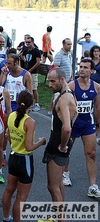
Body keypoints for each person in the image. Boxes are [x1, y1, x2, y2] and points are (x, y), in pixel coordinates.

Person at [1, 90, 46, 222]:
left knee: (9, 190)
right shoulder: (29, 121)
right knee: (21, 197)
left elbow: (8, 135)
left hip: (13, 155)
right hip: (24, 159)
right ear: (31, 104)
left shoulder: (11, 116)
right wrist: (41, 142)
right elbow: (29, 146)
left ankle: (5, 217)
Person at [61, 59, 100, 197]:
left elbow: (97, 107)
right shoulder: (71, 86)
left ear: (92, 71)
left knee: (91, 154)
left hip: (87, 124)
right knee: (67, 150)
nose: (82, 69)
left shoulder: (96, 87)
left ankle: (93, 186)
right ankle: (65, 173)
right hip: (72, 125)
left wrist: (97, 124)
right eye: (81, 66)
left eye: (85, 67)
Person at [44, 68, 77, 210]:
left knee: (53, 187)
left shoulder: (64, 98)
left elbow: (67, 128)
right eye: (49, 81)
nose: (50, 85)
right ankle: (59, 217)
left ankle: (60, 218)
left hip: (57, 146)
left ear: (62, 80)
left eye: (53, 81)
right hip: (59, 144)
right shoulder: (69, 94)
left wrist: (62, 146)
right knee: (58, 185)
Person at [21, 36, 41, 111]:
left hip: (33, 73)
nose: (27, 44)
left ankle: (37, 103)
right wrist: (24, 59)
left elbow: (38, 62)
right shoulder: (26, 50)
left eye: (29, 42)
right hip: (27, 72)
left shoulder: (36, 51)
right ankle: (29, 102)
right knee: (27, 87)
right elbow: (22, 55)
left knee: (34, 88)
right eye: (26, 42)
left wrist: (30, 70)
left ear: (32, 42)